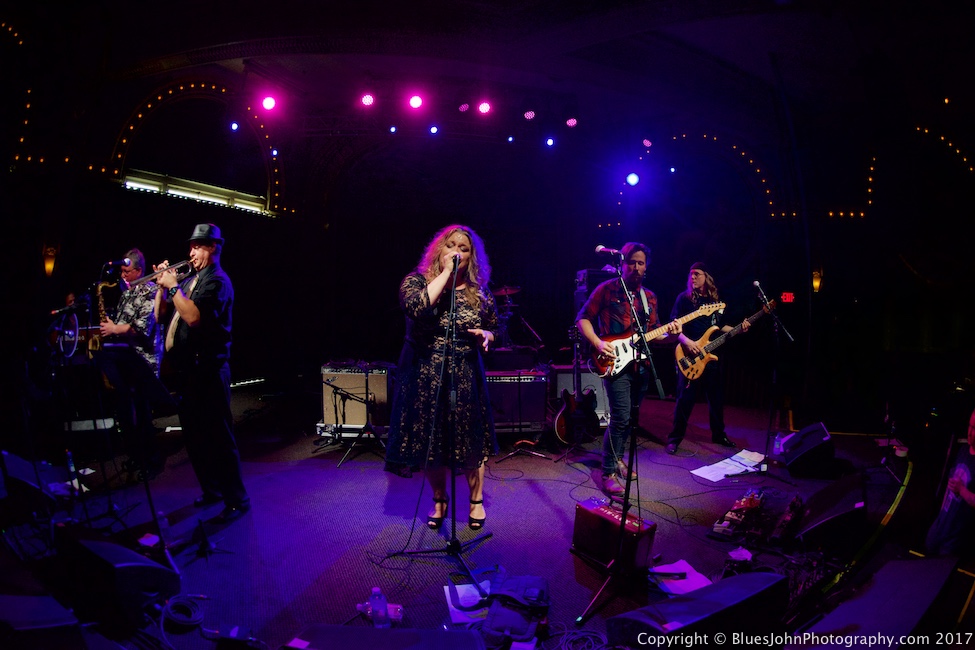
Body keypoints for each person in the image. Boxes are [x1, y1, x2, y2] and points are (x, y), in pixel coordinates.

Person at [384, 225, 499, 531]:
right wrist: (446, 274)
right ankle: (439, 499)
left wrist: (487, 335)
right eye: (451, 245)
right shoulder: (416, 282)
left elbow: (496, 328)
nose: (456, 252)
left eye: (464, 248)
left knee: (471, 439)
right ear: (439, 249)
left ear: (472, 257)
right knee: (431, 440)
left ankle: (476, 501)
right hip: (425, 373)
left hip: (465, 374)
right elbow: (418, 308)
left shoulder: (479, 292)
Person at [154, 224, 249, 522]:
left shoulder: (217, 281)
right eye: (191, 246)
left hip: (209, 370)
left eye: (197, 246)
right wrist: (162, 287)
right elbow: (160, 316)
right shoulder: (191, 280)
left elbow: (193, 317)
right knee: (195, 438)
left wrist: (173, 286)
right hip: (188, 372)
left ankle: (237, 499)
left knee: (219, 437)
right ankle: (212, 490)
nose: (191, 252)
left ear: (213, 248)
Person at [576, 242, 680, 496]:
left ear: (646, 268)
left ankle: (619, 459)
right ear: (623, 265)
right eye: (631, 262)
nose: (635, 267)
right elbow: (582, 319)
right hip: (615, 361)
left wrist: (672, 334)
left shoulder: (650, 297)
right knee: (620, 417)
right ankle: (608, 472)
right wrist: (598, 343)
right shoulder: (606, 289)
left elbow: (654, 334)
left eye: (640, 263)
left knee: (631, 419)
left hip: (641, 365)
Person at [665, 262, 749, 455]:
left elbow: (721, 326)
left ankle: (719, 435)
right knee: (685, 400)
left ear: (707, 277)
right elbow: (672, 326)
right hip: (689, 355)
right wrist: (688, 342)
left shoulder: (715, 301)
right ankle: (674, 439)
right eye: (691, 274)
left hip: (710, 356)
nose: (692, 277)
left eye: (697, 274)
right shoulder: (684, 299)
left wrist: (739, 329)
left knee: (716, 399)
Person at [97, 249, 164, 475]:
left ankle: (152, 461)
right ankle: (136, 456)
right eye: (122, 271)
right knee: (127, 413)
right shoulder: (126, 293)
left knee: (143, 414)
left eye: (127, 271)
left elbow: (142, 328)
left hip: (143, 359)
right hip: (125, 358)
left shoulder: (150, 290)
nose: (123, 275)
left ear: (139, 270)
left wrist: (114, 329)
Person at [925, 406, 975, 556]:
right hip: (941, 524)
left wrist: (962, 490)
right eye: (970, 426)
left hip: (956, 537)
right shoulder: (964, 449)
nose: (970, 432)